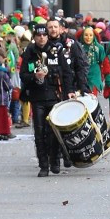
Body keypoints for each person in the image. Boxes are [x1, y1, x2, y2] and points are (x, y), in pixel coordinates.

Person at [20, 21, 75, 176]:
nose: (42, 38)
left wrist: (69, 91)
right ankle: (43, 165)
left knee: (54, 132)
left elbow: (67, 73)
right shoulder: (29, 52)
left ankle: (55, 161)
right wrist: (34, 76)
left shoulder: (56, 50)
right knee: (39, 133)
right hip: (37, 98)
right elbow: (23, 75)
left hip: (54, 97)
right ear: (35, 37)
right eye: (39, 35)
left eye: (44, 35)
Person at [80, 25, 106, 95]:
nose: (88, 38)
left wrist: (102, 76)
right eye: (86, 35)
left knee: (92, 98)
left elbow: (103, 62)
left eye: (91, 35)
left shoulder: (99, 48)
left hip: (94, 76)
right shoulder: (78, 47)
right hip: (81, 76)